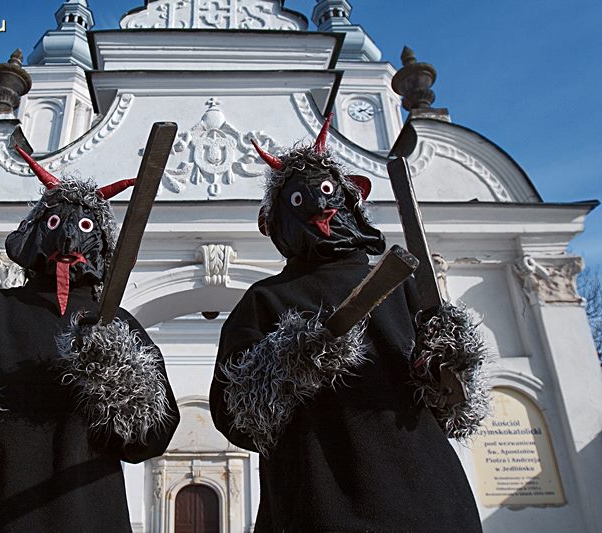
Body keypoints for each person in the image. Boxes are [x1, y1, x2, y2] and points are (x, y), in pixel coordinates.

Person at [209, 115, 490, 533]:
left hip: (430, 499)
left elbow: (453, 408)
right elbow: (235, 415)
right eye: (299, 200)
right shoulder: (264, 301)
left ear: (349, 199)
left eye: (326, 191)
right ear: (279, 223)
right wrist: (291, 359)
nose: (321, 205)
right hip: (318, 503)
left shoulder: (401, 283)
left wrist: (448, 367)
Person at [0, 147, 179, 532]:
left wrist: (117, 373)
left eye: (84, 227)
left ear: (99, 244)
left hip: (85, 515)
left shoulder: (119, 324)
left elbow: (151, 437)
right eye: (54, 222)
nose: (67, 236)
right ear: (35, 234)